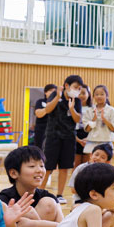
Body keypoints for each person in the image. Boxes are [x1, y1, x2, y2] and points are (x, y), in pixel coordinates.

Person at [0, 146, 63, 227]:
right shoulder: (4, 199)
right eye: (32, 166)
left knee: (47, 204)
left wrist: (32, 225)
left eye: (42, 166)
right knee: (27, 212)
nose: (39, 170)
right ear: (14, 173)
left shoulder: (48, 197)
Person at [40, 75, 84, 204]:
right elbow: (47, 110)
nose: (77, 90)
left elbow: (77, 119)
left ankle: (59, 194)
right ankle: (40, 192)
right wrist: (58, 97)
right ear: (66, 86)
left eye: (79, 88)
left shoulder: (77, 101)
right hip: (53, 136)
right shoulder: (55, 94)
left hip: (69, 137)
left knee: (65, 167)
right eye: (75, 87)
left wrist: (72, 109)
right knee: (48, 167)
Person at [67, 144, 114, 215]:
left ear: (107, 162)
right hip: (84, 200)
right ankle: (107, 211)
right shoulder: (81, 168)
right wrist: (94, 194)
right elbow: (73, 190)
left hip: (104, 200)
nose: (97, 158)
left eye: (102, 157)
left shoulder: (108, 172)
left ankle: (104, 210)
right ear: (91, 155)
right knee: (75, 208)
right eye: (96, 155)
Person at [82, 84, 114, 155]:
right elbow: (87, 129)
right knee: (92, 164)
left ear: (107, 96)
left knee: (105, 165)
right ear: (93, 96)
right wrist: (93, 120)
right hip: (92, 142)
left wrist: (104, 120)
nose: (99, 96)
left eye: (102, 94)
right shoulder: (89, 111)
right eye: (96, 94)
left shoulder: (112, 110)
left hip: (106, 141)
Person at [74, 84, 93, 168]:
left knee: (86, 164)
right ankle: (75, 181)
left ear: (88, 94)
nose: (81, 95)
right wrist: (78, 140)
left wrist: (87, 139)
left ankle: (85, 181)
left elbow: (94, 125)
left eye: (83, 93)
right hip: (75, 136)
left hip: (88, 136)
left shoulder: (92, 108)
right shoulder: (72, 107)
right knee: (76, 164)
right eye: (79, 93)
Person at [33, 83, 57, 150]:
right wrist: (48, 107)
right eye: (51, 91)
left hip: (53, 130)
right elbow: (38, 114)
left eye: (54, 91)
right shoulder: (40, 102)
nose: (53, 93)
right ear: (45, 92)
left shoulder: (57, 103)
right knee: (39, 149)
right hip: (41, 130)